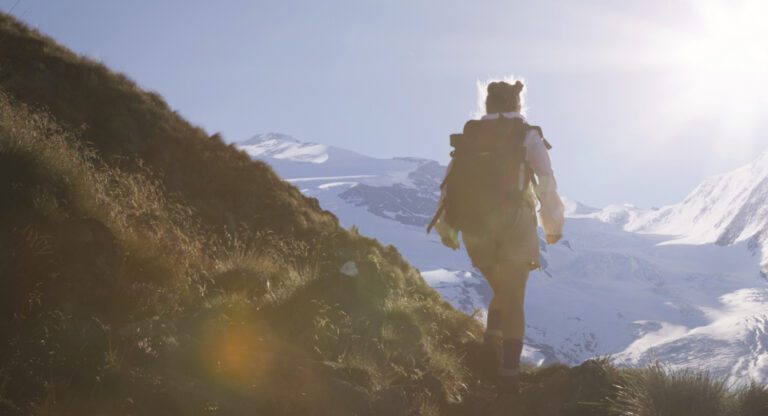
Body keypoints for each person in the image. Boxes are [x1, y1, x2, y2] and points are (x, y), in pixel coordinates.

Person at [428, 80, 564, 395]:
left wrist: (448, 228)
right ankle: (509, 373)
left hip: (476, 225)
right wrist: (553, 225)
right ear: (518, 104)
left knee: (502, 288)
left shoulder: (472, 137)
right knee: (513, 296)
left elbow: (450, 183)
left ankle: (491, 342)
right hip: (515, 219)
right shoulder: (526, 135)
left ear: (487, 104)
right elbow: (546, 180)